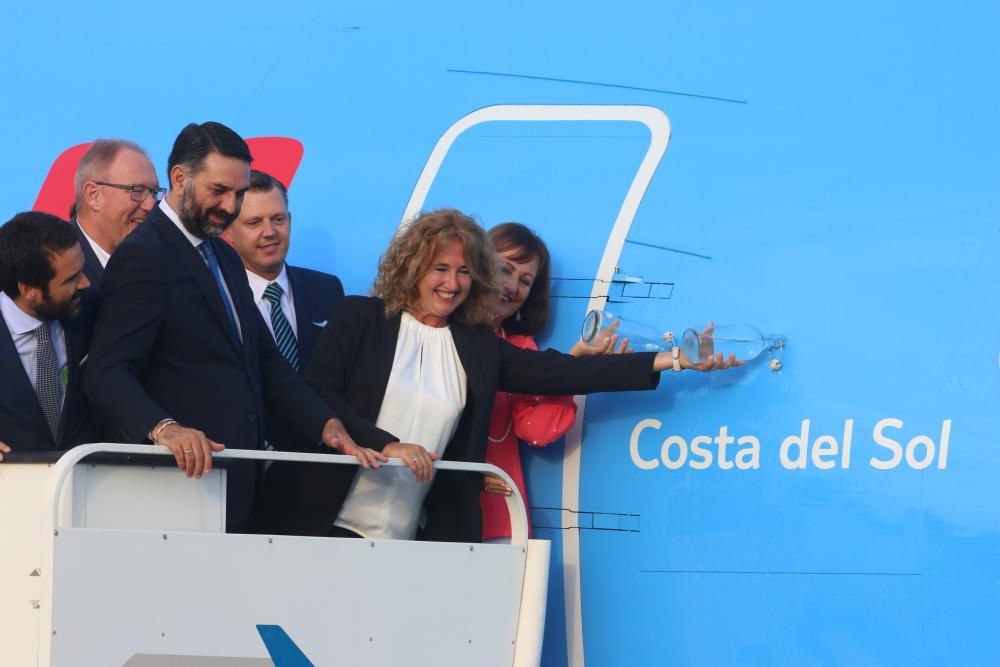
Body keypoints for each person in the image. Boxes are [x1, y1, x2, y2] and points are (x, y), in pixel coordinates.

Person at [302, 209, 739, 543]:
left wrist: (675, 359)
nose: (452, 283)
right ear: (413, 266)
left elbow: (565, 371)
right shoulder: (361, 317)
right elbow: (319, 394)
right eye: (440, 268)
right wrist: (387, 444)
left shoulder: (475, 344)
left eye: (464, 272)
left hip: (413, 540)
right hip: (326, 523)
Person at [84, 121, 378, 531]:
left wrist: (325, 425)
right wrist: (164, 429)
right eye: (218, 191)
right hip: (179, 491)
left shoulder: (222, 257)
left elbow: (262, 359)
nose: (230, 206)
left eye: (238, 194)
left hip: (239, 485)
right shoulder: (144, 256)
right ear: (179, 179)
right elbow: (107, 370)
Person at [479, 222, 627, 542]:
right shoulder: (437, 333)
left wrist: (575, 362)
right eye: (505, 269)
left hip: (499, 518)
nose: (513, 286)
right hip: (431, 507)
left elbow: (536, 429)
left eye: (525, 280)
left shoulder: (521, 347)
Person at [222, 169, 346, 531]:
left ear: (290, 220)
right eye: (254, 222)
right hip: (244, 478)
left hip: (317, 479)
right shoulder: (218, 298)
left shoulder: (327, 289)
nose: (269, 232)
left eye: (277, 219)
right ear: (228, 231)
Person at [0, 212, 100, 458]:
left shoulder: (93, 309)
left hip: (87, 483)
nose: (85, 283)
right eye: (71, 279)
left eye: (82, 270)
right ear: (29, 290)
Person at [71, 139, 163, 286]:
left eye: (154, 193)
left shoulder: (162, 263)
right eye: (137, 191)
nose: (151, 205)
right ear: (93, 195)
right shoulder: (56, 266)